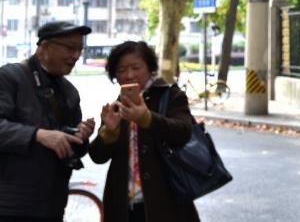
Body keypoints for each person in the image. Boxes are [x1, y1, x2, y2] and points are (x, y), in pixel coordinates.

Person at [89, 41, 199, 222]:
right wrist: (108, 132)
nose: (129, 74)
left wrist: (147, 119)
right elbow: (97, 157)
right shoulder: (117, 106)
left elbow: (183, 132)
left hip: (166, 204)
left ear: (150, 68)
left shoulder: (171, 95)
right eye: (122, 70)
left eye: (136, 67)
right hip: (123, 207)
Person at [0, 21, 95, 222]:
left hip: (53, 203)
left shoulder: (70, 91)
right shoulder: (9, 77)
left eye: (80, 49)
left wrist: (80, 136)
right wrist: (38, 135)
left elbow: (72, 147)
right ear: (44, 47)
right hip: (10, 205)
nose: (76, 56)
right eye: (70, 48)